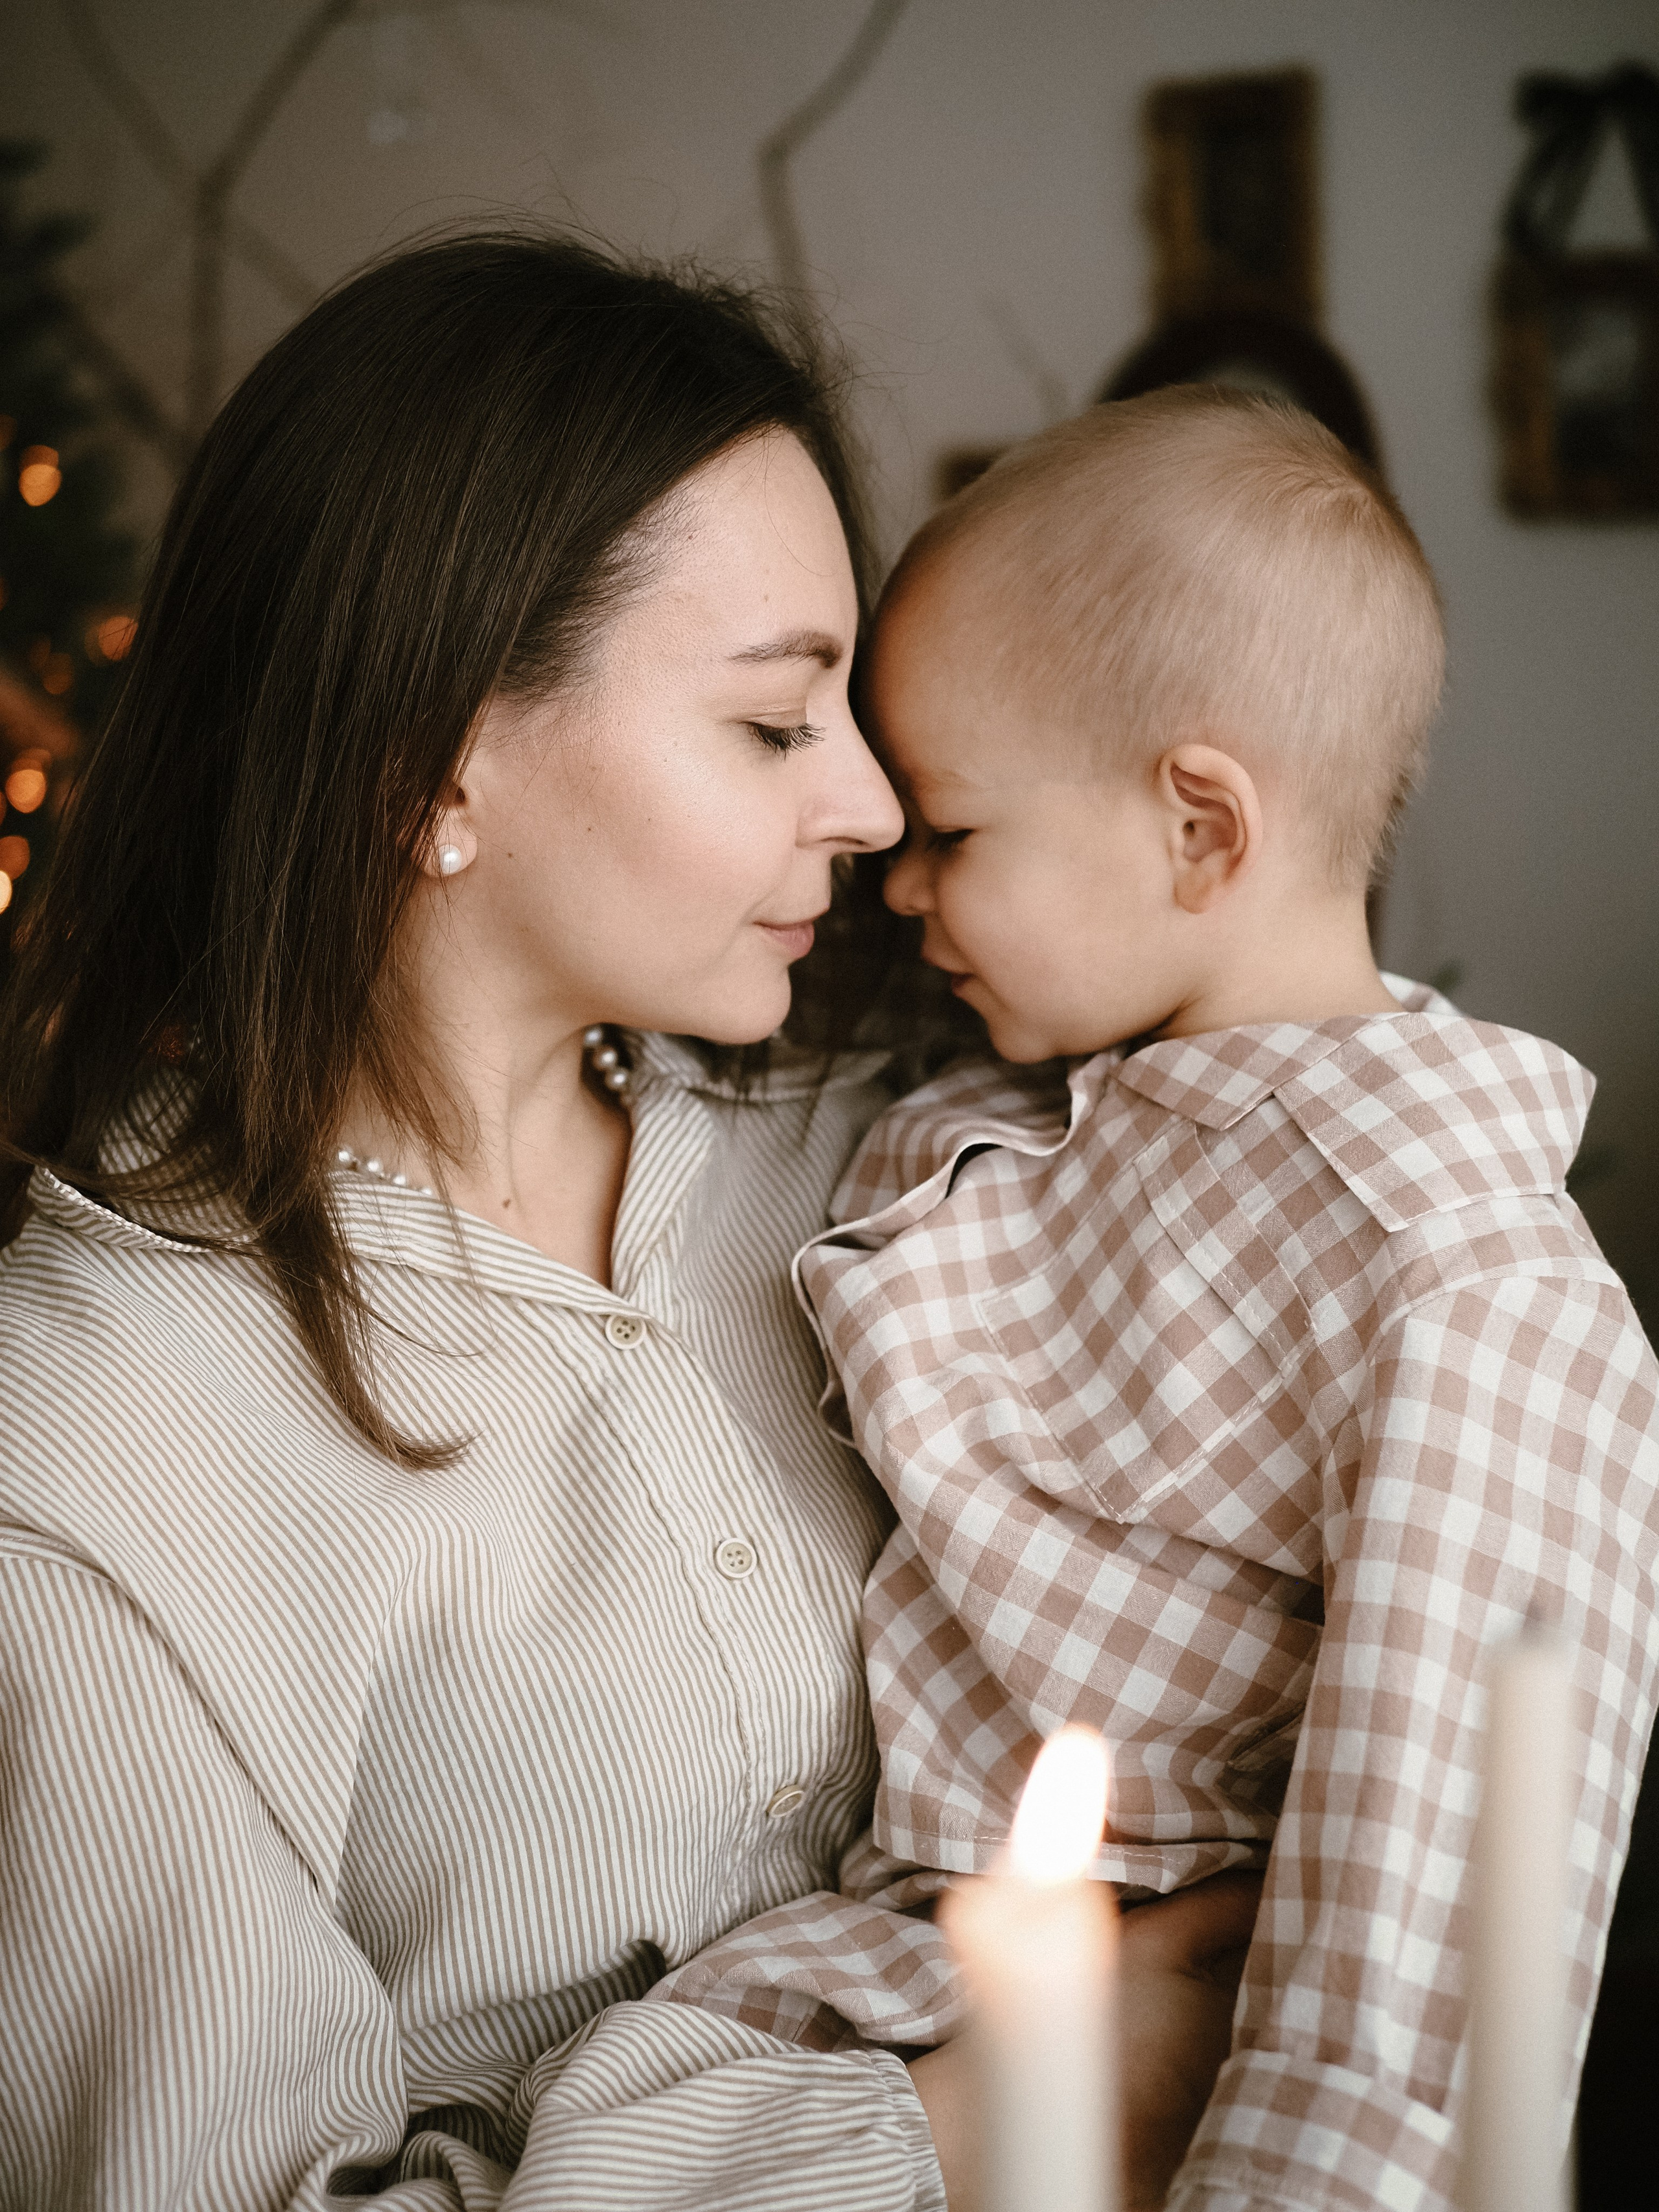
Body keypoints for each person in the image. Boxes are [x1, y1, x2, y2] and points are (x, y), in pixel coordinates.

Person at [0, 237, 1252, 2212]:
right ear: (437, 762)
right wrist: (957, 2132)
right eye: (775, 724)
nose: (866, 801)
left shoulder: (886, 1160)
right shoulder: (91, 1449)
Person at [669, 388, 1659, 2211]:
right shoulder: (1004, 1118)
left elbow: (1426, 1962)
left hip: (1190, 2087)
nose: (898, 878)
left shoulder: (1463, 1279)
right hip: (890, 1990)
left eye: (954, 831)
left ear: (1201, 829)